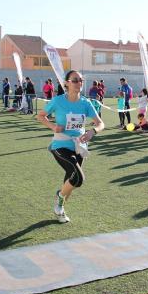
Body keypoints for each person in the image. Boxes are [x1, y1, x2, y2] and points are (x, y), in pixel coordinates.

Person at [36, 70, 105, 223]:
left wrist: (92, 132)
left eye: (81, 80)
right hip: (60, 145)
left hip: (79, 147)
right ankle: (59, 199)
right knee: (79, 179)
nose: (79, 83)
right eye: (75, 80)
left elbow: (101, 123)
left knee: (71, 181)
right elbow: (40, 116)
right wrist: (53, 127)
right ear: (66, 83)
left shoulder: (86, 103)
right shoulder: (58, 100)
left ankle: (60, 208)